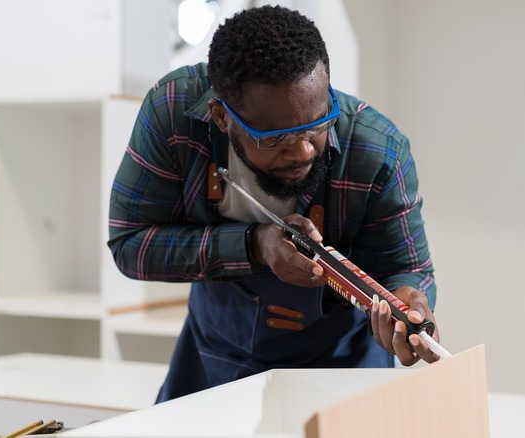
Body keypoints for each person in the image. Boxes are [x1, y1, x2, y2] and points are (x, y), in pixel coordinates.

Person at [108, 5, 439, 403]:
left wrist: (409, 300)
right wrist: (253, 246)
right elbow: (131, 245)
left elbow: (406, 268)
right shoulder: (174, 113)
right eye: (275, 137)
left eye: (318, 123)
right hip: (215, 351)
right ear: (221, 117)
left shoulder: (378, 151)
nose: (303, 150)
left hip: (341, 361)